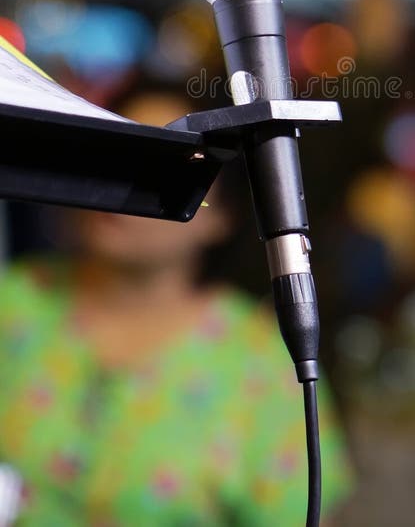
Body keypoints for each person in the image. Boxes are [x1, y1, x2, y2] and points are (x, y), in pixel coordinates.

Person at [0, 88, 353, 525]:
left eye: (162, 163)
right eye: (114, 151)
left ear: (224, 216)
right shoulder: (13, 302)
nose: (124, 176)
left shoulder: (258, 361)